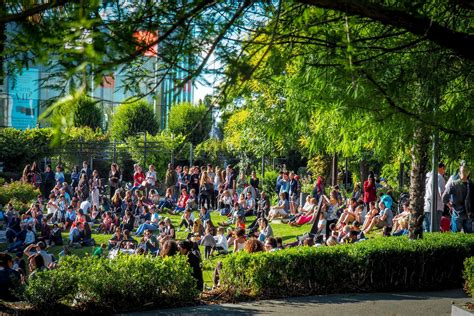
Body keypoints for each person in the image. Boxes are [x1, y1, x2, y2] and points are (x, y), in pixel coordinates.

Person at [442, 161, 473, 233]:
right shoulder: (472, 184)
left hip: (457, 213)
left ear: (459, 172)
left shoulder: (453, 184)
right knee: (469, 238)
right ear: (468, 172)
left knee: (455, 237)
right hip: (469, 214)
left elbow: (444, 198)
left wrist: (450, 205)